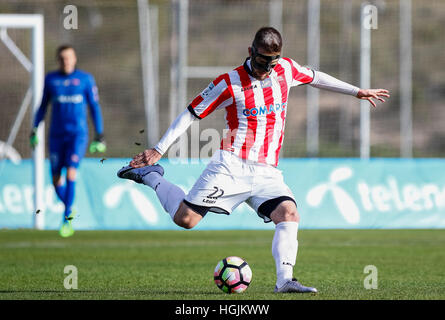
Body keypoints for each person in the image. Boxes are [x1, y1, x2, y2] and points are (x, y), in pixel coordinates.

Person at [117, 27, 389, 293]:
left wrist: (357, 91)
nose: (267, 68)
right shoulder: (229, 82)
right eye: (261, 61)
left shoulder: (286, 70)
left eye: (273, 62)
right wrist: (159, 149)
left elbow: (317, 77)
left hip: (267, 172)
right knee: (186, 219)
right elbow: (190, 113)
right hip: (231, 165)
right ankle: (151, 176)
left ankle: (285, 281)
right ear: (250, 51)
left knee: (289, 214)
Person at [31, 45, 106, 238]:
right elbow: (42, 106)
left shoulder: (85, 79)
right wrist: (34, 129)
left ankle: (66, 219)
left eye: (69, 58)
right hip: (56, 136)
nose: (66, 61)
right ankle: (69, 207)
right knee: (56, 179)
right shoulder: (51, 79)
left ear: (74, 59)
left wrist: (100, 134)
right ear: (58, 59)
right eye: (63, 58)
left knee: (71, 172)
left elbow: (94, 107)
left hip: (77, 136)